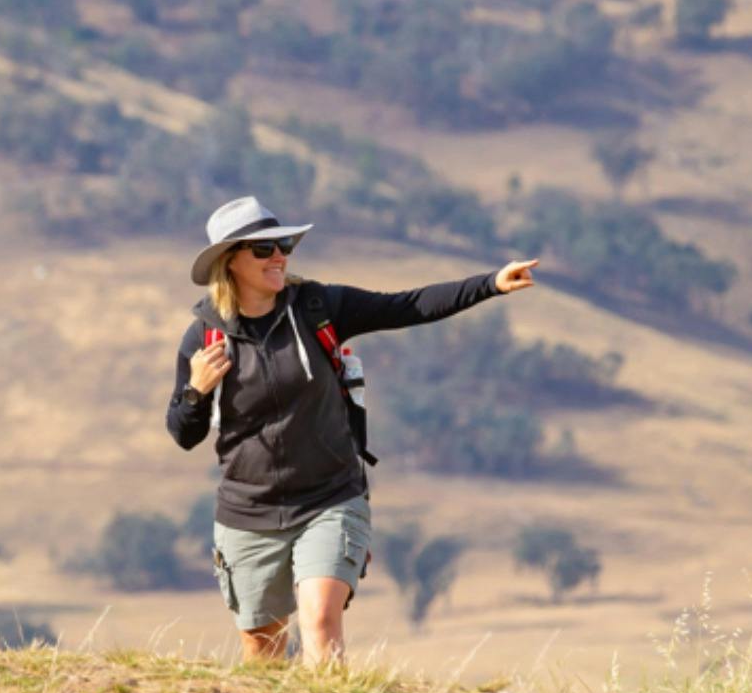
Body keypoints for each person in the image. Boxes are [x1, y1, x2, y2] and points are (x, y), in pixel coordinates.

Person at [166, 195, 538, 664]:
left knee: (320, 619)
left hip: (330, 498)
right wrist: (196, 391)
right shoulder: (204, 338)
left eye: (283, 244)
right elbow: (183, 433)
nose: (279, 255)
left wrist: (491, 284)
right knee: (263, 654)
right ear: (230, 261)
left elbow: (408, 306)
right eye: (264, 249)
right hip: (248, 512)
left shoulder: (318, 307)